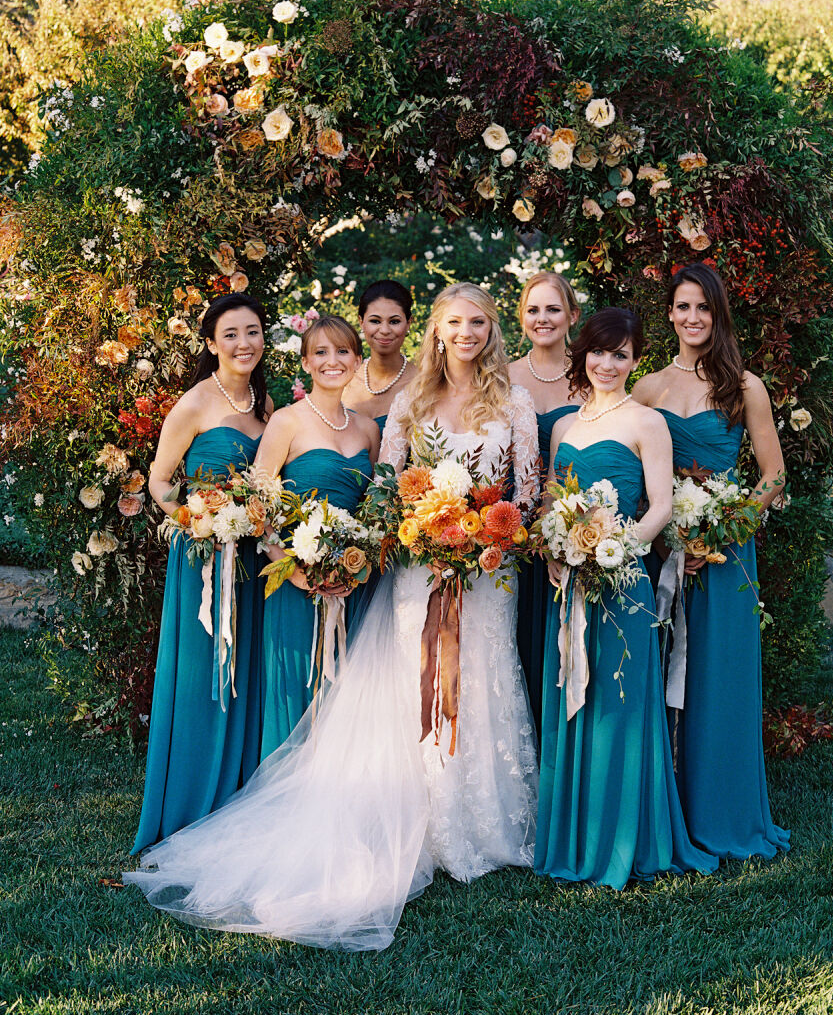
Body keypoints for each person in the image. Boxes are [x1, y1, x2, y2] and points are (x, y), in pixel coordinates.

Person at [124, 283, 540, 949]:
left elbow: (527, 491)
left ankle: (484, 826)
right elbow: (388, 485)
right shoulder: (407, 403)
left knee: (483, 683)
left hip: (485, 574)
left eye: (479, 322)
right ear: (435, 331)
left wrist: (486, 536)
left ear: (493, 330)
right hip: (412, 569)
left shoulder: (513, 401)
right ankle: (416, 823)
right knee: (409, 690)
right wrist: (406, 533)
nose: (466, 332)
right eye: (454, 322)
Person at [534, 307, 718, 888]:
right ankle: (575, 834)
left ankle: (626, 837)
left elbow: (660, 506)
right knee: (573, 698)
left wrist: (610, 552)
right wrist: (559, 550)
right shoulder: (565, 428)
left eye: (621, 354)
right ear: (582, 355)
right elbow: (547, 502)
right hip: (568, 584)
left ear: (636, 360)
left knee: (620, 705)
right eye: (599, 352)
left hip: (623, 580)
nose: (608, 364)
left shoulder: (647, 422)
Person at [632, 262, 789, 860]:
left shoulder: (745, 386)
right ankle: (667, 805)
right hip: (663, 546)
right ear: (668, 314)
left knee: (719, 676)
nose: (692, 318)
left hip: (725, 554)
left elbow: (772, 474)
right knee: (664, 671)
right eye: (682, 307)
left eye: (703, 307)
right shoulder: (646, 388)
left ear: (717, 314)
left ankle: (723, 808)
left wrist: (724, 530)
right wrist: (671, 536)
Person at [130, 294, 272, 854]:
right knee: (202, 682)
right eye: (231, 334)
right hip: (205, 564)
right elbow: (159, 481)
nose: (244, 343)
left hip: (255, 564)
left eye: (253, 331)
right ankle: (191, 807)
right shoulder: (193, 405)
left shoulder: (267, 406)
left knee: (247, 677)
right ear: (211, 343)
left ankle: (241, 801)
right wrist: (198, 519)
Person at [256, 315, 380, 758]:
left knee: (348, 687)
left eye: (343, 351)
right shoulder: (287, 421)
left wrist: (359, 560)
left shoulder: (368, 429)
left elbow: (374, 510)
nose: (333, 361)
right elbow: (260, 504)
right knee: (298, 683)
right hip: (297, 579)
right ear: (306, 362)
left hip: (353, 581)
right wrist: (290, 568)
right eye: (321, 352)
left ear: (357, 359)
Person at [508, 271, 584, 733]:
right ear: (521, 317)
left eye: (553, 309)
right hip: (510, 536)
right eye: (533, 310)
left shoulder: (595, 371)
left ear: (572, 315)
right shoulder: (501, 375)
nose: (543, 319)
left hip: (571, 533)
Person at [341, 279, 416, 435]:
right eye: (375, 321)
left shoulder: (423, 384)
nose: (384, 330)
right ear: (361, 322)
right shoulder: (344, 379)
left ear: (409, 323)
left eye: (394, 321)